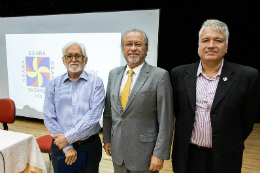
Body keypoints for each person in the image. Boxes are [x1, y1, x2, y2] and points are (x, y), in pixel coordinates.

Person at [170, 19, 260, 173]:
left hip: (225, 157)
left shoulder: (247, 76)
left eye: (218, 40)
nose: (211, 45)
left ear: (226, 46)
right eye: (206, 40)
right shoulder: (178, 74)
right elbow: (179, 113)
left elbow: (247, 121)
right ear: (199, 46)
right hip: (186, 156)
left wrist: (227, 142)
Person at [102, 29, 174, 173]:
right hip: (118, 151)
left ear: (146, 49)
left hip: (145, 155)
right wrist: (107, 139)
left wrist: (159, 154)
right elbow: (109, 112)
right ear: (123, 48)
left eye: (138, 44)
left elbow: (166, 120)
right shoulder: (113, 74)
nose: (133, 48)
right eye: (128, 44)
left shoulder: (160, 76)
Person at [43, 42, 105, 173]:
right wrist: (66, 146)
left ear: (85, 60)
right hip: (60, 147)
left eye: (78, 56)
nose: (73, 59)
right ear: (63, 60)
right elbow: (49, 117)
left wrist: (67, 138)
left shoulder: (96, 83)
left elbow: (93, 116)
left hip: (89, 146)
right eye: (69, 56)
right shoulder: (53, 84)